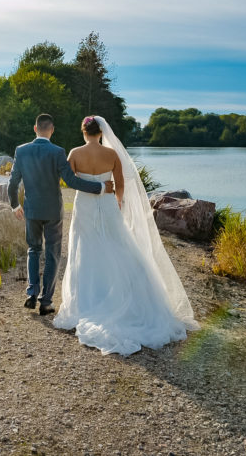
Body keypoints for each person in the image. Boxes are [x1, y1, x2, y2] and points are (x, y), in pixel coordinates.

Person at [53, 115, 200, 355]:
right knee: (116, 245)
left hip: (85, 207)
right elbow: (120, 184)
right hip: (108, 205)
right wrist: (118, 203)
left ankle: (86, 300)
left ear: (84, 132)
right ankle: (125, 296)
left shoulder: (75, 153)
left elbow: (69, 182)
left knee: (85, 247)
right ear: (101, 132)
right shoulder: (112, 155)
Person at [7, 113, 114, 316]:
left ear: (35, 128)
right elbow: (72, 182)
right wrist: (100, 187)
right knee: (52, 254)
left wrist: (14, 205)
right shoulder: (57, 152)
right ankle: (46, 302)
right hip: (53, 211)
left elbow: (12, 183)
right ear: (52, 130)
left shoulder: (21, 151)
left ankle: (31, 293)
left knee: (33, 250)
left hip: (31, 210)